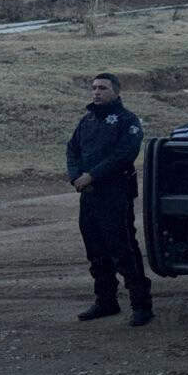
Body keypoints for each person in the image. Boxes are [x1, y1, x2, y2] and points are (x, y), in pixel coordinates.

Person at [66, 73, 153, 326]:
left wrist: (92, 175)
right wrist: (75, 177)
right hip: (89, 196)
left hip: (115, 194)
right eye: (93, 88)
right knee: (95, 250)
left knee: (123, 249)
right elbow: (72, 149)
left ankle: (141, 305)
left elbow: (124, 155)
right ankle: (106, 301)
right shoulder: (87, 120)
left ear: (115, 92)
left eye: (102, 88)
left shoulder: (128, 121)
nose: (96, 92)